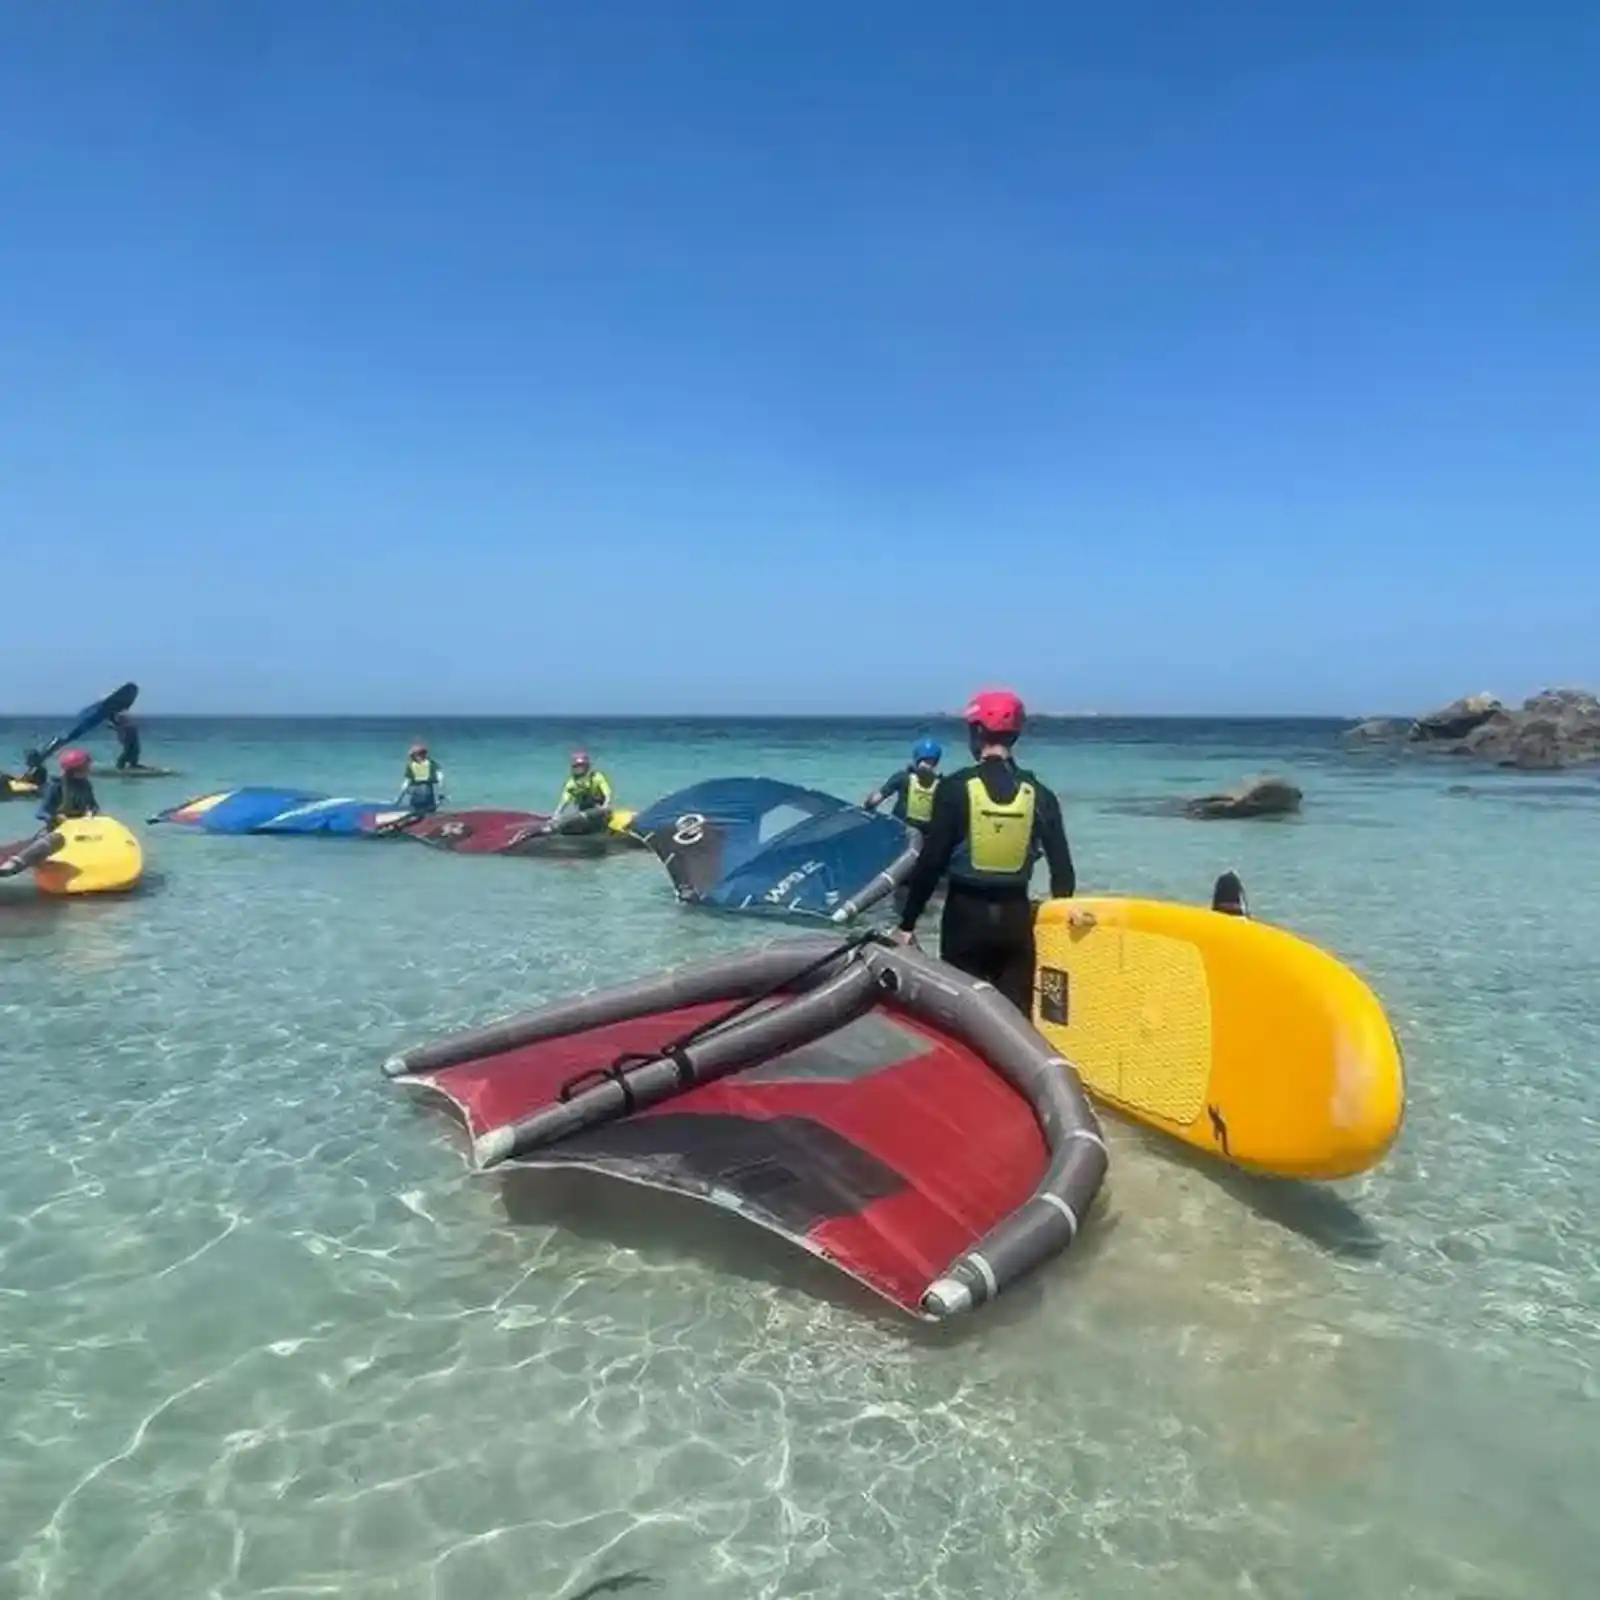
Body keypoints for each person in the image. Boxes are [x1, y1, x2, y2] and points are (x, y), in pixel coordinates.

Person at [892, 688, 1077, 1016]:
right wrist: (1060, 922)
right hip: (1016, 921)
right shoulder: (1041, 794)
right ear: (1016, 733)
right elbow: (1062, 872)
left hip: (964, 919)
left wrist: (907, 923)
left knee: (964, 1020)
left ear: (975, 731)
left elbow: (931, 863)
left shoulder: (954, 788)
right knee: (1015, 1022)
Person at [864, 738, 943, 834]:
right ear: (936, 762)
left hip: (899, 830)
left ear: (916, 758)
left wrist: (867, 808)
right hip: (926, 834)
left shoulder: (902, 777)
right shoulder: (942, 784)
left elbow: (875, 800)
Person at [551, 750, 613, 832]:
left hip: (600, 808)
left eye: (581, 766)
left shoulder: (596, 777)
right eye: (576, 766)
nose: (579, 769)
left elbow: (607, 794)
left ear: (587, 767)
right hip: (584, 811)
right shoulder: (571, 784)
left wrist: (605, 805)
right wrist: (557, 814)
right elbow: (564, 801)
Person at [37, 748, 100, 827]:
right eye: (86, 767)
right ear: (75, 769)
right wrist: (55, 817)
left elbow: (93, 806)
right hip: (59, 828)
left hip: (81, 826)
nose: (89, 770)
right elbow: (41, 812)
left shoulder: (86, 785)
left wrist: (91, 812)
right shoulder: (56, 786)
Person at [397, 742, 446, 814]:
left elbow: (407, 782)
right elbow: (440, 776)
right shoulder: (430, 763)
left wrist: (400, 796)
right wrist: (441, 789)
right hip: (424, 789)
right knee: (427, 809)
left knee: (418, 808)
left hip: (419, 790)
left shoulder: (413, 765)